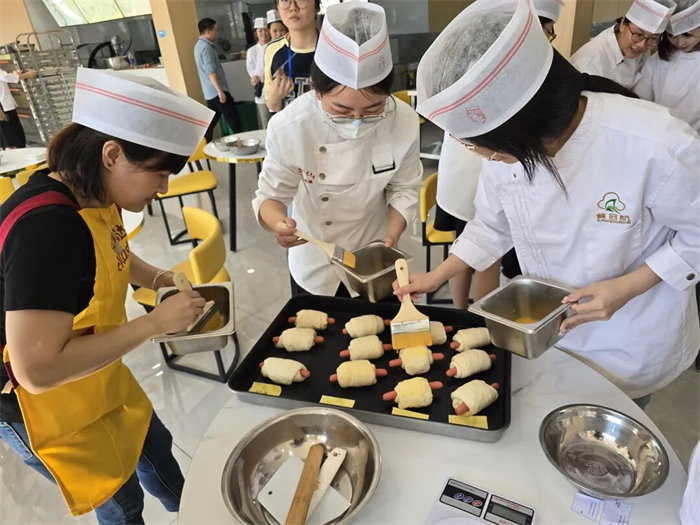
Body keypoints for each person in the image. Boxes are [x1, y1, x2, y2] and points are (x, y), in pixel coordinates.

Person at [397, 0, 699, 407]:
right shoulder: (505, 154)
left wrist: (626, 288)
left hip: (627, 343)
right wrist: (439, 275)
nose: (485, 158)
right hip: (545, 334)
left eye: (483, 148)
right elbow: (492, 224)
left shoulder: (656, 143)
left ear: (523, 129)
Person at [0, 68, 214, 523]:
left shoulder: (90, 190)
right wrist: (154, 324)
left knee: (153, 446)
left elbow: (108, 249)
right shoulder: (46, 229)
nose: (164, 188)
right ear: (112, 154)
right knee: (121, 500)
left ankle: (196, 512)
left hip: (94, 369)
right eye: (159, 173)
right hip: (39, 401)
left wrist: (157, 278)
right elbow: (38, 370)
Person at [253, 1, 422, 297]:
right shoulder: (290, 127)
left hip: (375, 256)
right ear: (316, 91)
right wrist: (279, 224)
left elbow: (404, 188)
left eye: (373, 110)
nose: (357, 121)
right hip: (315, 261)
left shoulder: (403, 120)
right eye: (342, 111)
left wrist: (390, 238)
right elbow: (270, 197)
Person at [434, 0, 567, 308]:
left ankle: (473, 317)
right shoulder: (496, 57)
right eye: (547, 31)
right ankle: (465, 316)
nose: (548, 39)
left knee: (481, 241)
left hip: (491, 158)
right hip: (477, 158)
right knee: (477, 242)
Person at [570, 0, 677, 88]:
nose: (642, 45)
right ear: (622, 24)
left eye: (653, 38)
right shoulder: (590, 63)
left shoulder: (642, 48)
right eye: (638, 34)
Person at [635, 0, 700, 132]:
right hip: (657, 133)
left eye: (687, 35)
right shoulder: (656, 60)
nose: (680, 43)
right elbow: (640, 98)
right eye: (671, 35)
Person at [264, 0, 320, 114]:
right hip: (288, 124)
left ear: (316, 7)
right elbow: (272, 105)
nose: (293, 7)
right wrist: (274, 99)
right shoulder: (273, 50)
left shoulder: (334, 47)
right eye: (285, 0)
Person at [195, 17, 242, 142]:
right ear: (208, 31)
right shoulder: (206, 48)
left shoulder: (198, 46)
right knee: (234, 121)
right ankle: (241, 144)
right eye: (215, 30)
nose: (217, 33)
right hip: (217, 92)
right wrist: (220, 92)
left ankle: (203, 145)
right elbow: (211, 72)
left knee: (210, 125)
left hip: (209, 92)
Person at [0, 69, 36, 149]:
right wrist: (27, 75)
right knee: (10, 136)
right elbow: (5, 77)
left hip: (5, 107)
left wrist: (17, 75)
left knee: (12, 133)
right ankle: (14, 153)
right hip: (3, 108)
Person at [247, 17, 272, 129]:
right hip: (261, 89)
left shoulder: (274, 47)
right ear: (256, 33)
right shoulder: (252, 51)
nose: (263, 33)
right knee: (265, 120)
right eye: (260, 30)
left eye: (265, 30)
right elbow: (251, 69)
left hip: (274, 86)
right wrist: (255, 77)